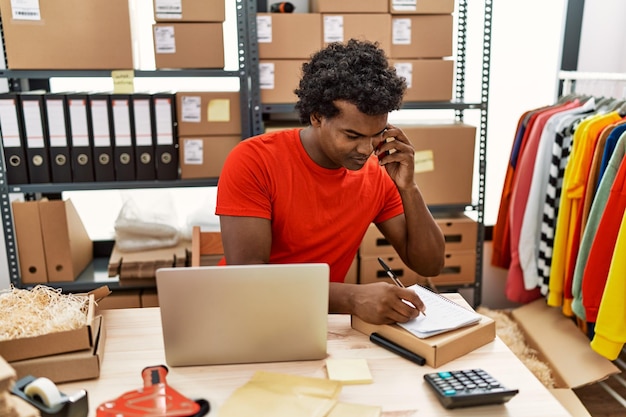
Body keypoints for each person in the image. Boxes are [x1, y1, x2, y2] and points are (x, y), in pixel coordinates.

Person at [215, 39, 445, 325]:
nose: (366, 149)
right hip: (246, 317)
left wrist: (409, 188)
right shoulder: (253, 160)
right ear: (317, 117)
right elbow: (249, 278)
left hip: (316, 320)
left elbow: (430, 264)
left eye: (377, 134)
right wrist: (353, 298)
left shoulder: (376, 173)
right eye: (352, 135)